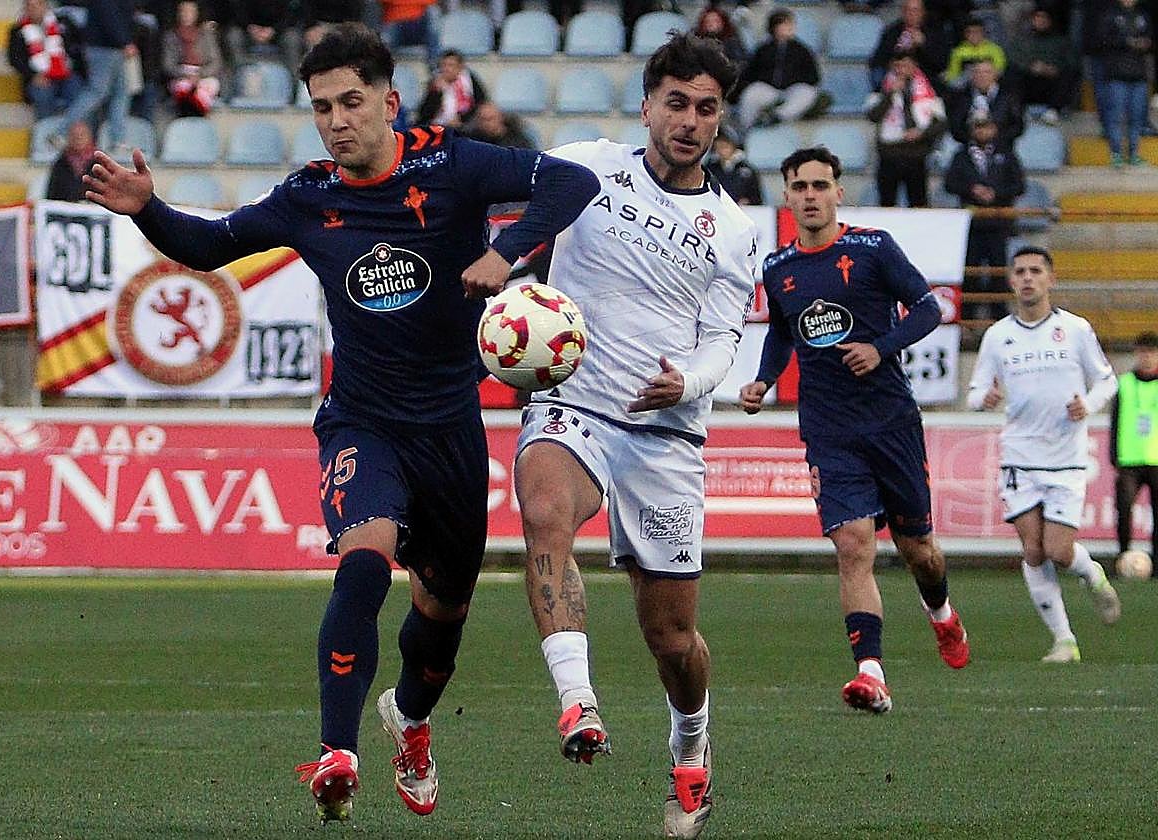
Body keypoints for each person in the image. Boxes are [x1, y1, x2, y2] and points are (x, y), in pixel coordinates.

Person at [80, 22, 599, 824]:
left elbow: (569, 184)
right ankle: (336, 752)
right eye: (321, 107)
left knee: (443, 617)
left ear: (389, 101)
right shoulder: (307, 196)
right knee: (362, 564)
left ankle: (413, 725)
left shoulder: (452, 163)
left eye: (351, 102)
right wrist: (149, 211)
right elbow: (213, 245)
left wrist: (512, 252)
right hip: (363, 422)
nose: (335, 120)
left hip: (452, 432)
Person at [512, 32, 757, 840]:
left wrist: (685, 383)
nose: (689, 120)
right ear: (647, 104)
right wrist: (507, 274)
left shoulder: (731, 229)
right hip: (571, 402)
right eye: (676, 102)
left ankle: (692, 745)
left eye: (707, 108)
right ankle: (577, 703)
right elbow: (518, 219)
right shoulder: (583, 165)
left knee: (671, 635)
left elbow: (724, 342)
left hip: (664, 430)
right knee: (545, 512)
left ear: (720, 119)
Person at [739, 145, 970, 715]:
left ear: (840, 192)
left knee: (920, 550)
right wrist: (764, 380)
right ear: (787, 195)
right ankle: (872, 673)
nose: (811, 196)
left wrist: (880, 347)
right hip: (828, 429)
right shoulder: (778, 267)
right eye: (800, 186)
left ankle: (941, 615)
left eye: (821, 185)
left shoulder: (873, 248)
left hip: (891, 421)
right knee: (852, 545)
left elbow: (927, 308)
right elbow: (783, 333)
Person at [966, 246, 1121, 663]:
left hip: (1067, 459)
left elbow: (1108, 383)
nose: (1028, 278)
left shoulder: (1075, 330)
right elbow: (975, 392)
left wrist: (1087, 405)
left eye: (1036, 271)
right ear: (1011, 281)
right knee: (1033, 551)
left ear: (1051, 279)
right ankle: (1064, 640)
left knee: (1058, 550)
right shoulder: (998, 335)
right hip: (1019, 457)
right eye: (1020, 272)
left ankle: (1093, 575)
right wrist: (987, 398)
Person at [943, 114, 1025, 321]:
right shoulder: (961, 155)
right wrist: (972, 189)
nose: (982, 132)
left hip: (998, 222)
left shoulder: (1006, 154)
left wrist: (995, 193)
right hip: (971, 224)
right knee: (970, 271)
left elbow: (1019, 185)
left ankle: (999, 315)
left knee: (998, 270)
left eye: (986, 127)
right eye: (978, 127)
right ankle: (967, 317)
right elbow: (950, 183)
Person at [865, 49, 947, 207]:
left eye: (906, 65)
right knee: (887, 204)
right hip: (890, 153)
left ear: (914, 66)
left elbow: (941, 122)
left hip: (916, 154)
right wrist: (890, 94)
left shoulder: (928, 89)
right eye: (898, 65)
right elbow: (873, 116)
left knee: (918, 204)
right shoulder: (881, 88)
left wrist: (921, 133)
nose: (902, 69)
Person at [59, 0, 136, 154]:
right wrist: (124, 41)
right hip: (104, 48)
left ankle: (118, 140)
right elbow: (109, 15)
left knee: (121, 94)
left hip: (111, 48)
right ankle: (61, 130)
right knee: (97, 91)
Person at [730, 7, 824, 130]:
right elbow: (749, 74)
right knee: (751, 93)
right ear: (774, 27)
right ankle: (745, 129)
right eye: (784, 24)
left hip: (792, 90)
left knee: (808, 93)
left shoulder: (802, 50)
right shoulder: (763, 49)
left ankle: (777, 116)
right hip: (768, 90)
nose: (789, 27)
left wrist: (796, 80)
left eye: (791, 23)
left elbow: (814, 77)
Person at [1111, 331, 1158, 572]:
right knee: (1124, 509)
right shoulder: (1125, 384)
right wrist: (1114, 455)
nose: (1147, 358)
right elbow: (1115, 420)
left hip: (1156, 459)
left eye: (1151, 353)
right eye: (1142, 353)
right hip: (1129, 459)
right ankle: (1123, 558)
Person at [1093, 0, 1152, 167]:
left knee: (1137, 116)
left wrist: (1145, 43)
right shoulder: (1109, 15)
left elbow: (1151, 37)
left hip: (1138, 74)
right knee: (1115, 116)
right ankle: (1116, 154)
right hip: (1115, 74)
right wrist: (1126, 42)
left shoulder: (1142, 16)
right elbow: (1102, 40)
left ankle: (1134, 154)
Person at [7, 0, 85, 119]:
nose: (33, 9)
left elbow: (78, 48)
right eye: (29, 5)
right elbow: (15, 59)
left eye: (38, 4)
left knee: (79, 94)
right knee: (43, 94)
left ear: (45, 6)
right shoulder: (17, 31)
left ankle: (79, 135)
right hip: (39, 77)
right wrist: (33, 75)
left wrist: (74, 68)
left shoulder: (64, 22)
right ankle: (47, 134)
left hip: (67, 73)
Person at [1006, 5, 1079, 124]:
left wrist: (1053, 69)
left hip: (1052, 82)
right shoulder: (1022, 40)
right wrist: (1031, 66)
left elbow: (1072, 61)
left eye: (1044, 18)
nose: (1040, 21)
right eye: (1037, 17)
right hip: (1029, 80)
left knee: (1070, 73)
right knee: (1012, 72)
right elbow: (1013, 58)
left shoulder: (1061, 41)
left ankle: (1053, 110)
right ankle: (1019, 110)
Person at [868, 0, 952, 90]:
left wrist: (924, 43)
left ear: (923, 13)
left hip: (927, 80)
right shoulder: (892, 31)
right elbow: (877, 60)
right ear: (903, 12)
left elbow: (942, 63)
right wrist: (894, 63)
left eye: (915, 10)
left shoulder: (935, 31)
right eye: (907, 10)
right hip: (895, 77)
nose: (911, 14)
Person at [161, 0, 224, 117]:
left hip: (204, 74)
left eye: (190, 11)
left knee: (209, 86)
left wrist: (200, 75)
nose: (186, 14)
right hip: (181, 74)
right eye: (183, 11)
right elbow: (168, 65)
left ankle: (195, 110)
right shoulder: (170, 36)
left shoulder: (207, 35)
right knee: (182, 87)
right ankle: (193, 110)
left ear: (196, 14)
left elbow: (215, 62)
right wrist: (185, 75)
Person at [944, 58, 1023, 147]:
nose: (982, 76)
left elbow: (1017, 126)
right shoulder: (960, 97)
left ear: (996, 74)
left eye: (987, 72)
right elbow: (955, 125)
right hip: (967, 148)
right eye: (977, 72)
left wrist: (995, 135)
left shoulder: (1009, 97)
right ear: (971, 75)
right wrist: (974, 136)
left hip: (1002, 147)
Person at [415, 49, 486, 128]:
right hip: (438, 126)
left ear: (460, 67)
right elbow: (425, 114)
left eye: (451, 65)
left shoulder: (469, 80)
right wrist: (436, 93)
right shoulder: (435, 83)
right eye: (444, 65)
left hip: (465, 123)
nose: (447, 69)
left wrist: (461, 119)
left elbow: (480, 102)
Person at [705, 125, 765, 205]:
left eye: (726, 144)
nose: (722, 148)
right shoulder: (710, 169)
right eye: (719, 144)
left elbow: (757, 200)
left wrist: (749, 202)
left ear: (734, 145)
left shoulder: (747, 171)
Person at [944, 15, 1007, 85]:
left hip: (989, 83)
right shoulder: (958, 52)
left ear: (983, 33)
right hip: (967, 85)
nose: (974, 35)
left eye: (977, 32)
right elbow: (954, 74)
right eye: (970, 32)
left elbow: (999, 71)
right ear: (965, 34)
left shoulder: (995, 49)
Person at [45, 120, 97, 201]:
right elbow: (51, 195)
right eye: (74, 135)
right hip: (63, 211)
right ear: (68, 138)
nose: (78, 138)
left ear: (90, 137)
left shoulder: (100, 162)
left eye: (82, 135)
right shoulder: (60, 163)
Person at [462, 101, 535, 148]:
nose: (487, 124)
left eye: (490, 119)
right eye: (483, 119)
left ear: (500, 118)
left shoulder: (517, 139)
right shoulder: (473, 140)